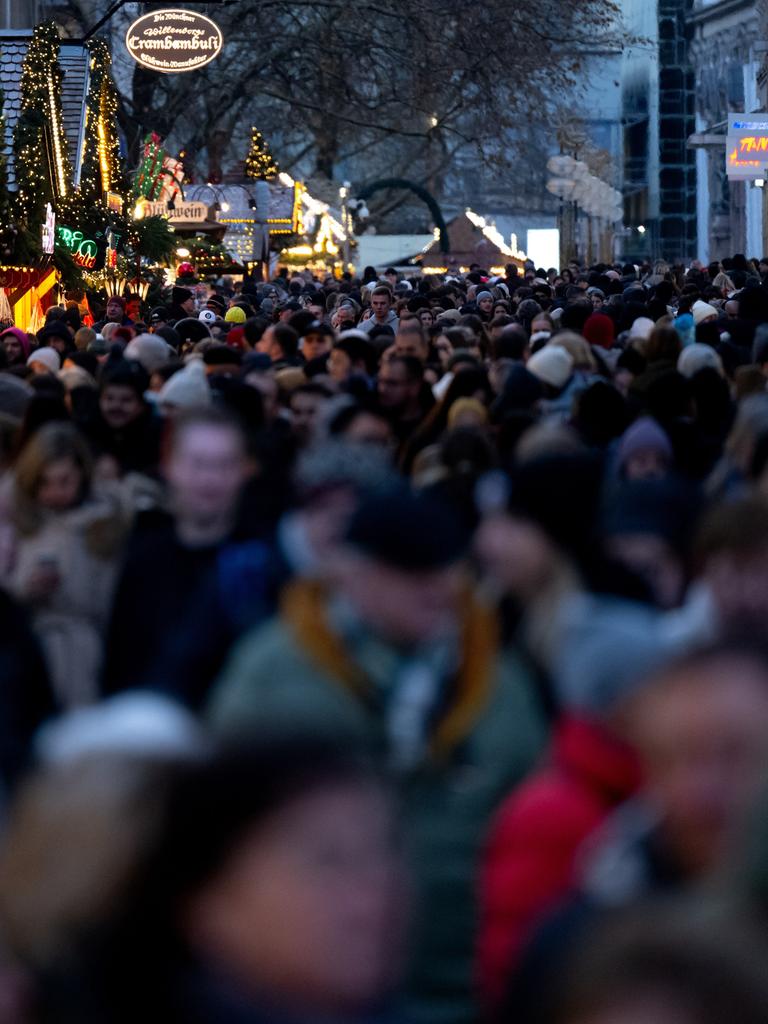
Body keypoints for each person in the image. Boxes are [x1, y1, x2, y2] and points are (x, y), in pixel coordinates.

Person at [209, 487, 546, 1024]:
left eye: (448, 569)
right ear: (353, 575)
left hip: (470, 987)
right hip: (309, 991)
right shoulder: (274, 676)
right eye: (413, 573)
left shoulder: (498, 687)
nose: (439, 588)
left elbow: (536, 828)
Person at [102, 408, 251, 696]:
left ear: (243, 470)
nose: (210, 479)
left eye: (224, 465)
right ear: (170, 467)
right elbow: (119, 662)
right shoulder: (141, 561)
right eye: (198, 464)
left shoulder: (266, 563)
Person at [0, 422, 130, 707]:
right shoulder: (17, 521)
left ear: (82, 475)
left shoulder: (104, 523)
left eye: (64, 481)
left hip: (87, 652)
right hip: (26, 652)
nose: (55, 492)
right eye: (45, 483)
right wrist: (24, 590)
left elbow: (114, 598)